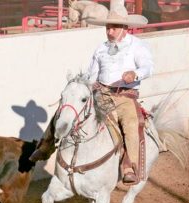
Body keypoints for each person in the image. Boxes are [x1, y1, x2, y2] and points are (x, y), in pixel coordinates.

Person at [29, 4, 153, 185]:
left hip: (124, 96)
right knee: (65, 108)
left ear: (124, 28)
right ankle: (46, 145)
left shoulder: (137, 46)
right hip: (100, 93)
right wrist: (84, 83)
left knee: (131, 123)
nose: (109, 31)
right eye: (107, 28)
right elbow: (92, 73)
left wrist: (135, 74)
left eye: (114, 28)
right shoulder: (101, 48)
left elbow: (148, 67)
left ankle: (129, 166)